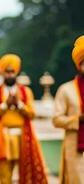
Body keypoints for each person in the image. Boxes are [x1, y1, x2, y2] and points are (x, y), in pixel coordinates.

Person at [0, 54, 47, 184]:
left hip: (23, 137)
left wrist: (19, 105)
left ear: (16, 72)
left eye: (12, 72)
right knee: (5, 175)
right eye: (7, 71)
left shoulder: (25, 91)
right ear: (2, 72)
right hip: (3, 137)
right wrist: (5, 105)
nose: (10, 75)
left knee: (25, 172)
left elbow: (32, 114)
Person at [53, 35, 84, 183]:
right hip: (74, 147)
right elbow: (56, 119)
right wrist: (77, 119)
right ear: (79, 65)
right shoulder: (66, 90)